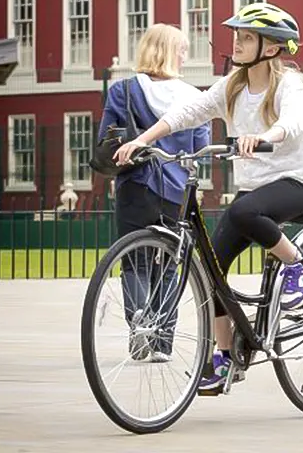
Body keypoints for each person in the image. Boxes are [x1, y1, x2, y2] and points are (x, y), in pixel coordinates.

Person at [115, 2, 303, 394]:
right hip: (253, 188)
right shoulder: (233, 84)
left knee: (244, 210)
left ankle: (299, 264)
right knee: (212, 269)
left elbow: (292, 123)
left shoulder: (288, 83)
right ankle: (226, 358)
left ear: (272, 47)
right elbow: (188, 111)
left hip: (293, 180)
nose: (237, 43)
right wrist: (141, 140)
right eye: (237, 36)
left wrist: (264, 137)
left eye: (246, 37)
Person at [99, 24, 210, 362]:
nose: (185, 55)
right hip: (176, 191)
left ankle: (140, 330)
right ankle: (163, 343)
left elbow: (108, 137)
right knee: (168, 264)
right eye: (183, 49)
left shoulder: (124, 91)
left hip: (136, 185)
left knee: (135, 261)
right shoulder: (194, 96)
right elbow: (200, 146)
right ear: (172, 52)